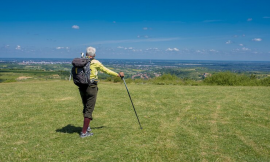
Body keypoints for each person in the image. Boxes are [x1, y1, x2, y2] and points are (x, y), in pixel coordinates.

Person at [79, 46, 124, 138]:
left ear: (86, 54)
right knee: (89, 108)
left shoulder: (81, 61)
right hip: (91, 87)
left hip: (82, 86)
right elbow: (106, 70)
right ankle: (84, 132)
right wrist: (117, 75)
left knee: (85, 105)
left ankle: (87, 127)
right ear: (94, 54)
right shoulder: (95, 62)